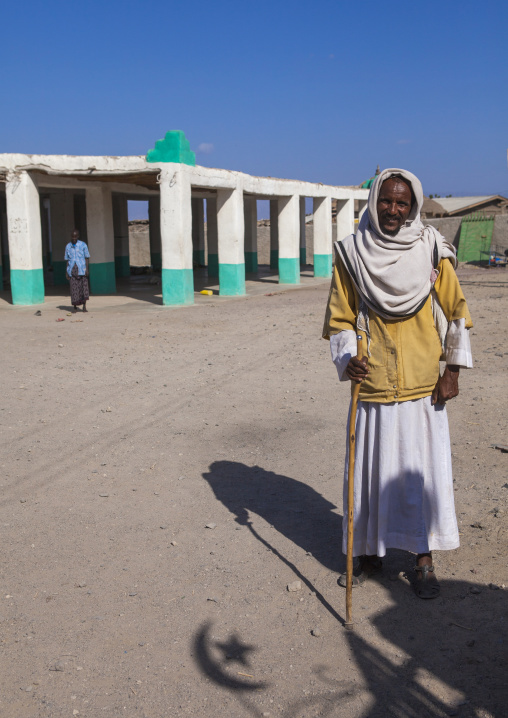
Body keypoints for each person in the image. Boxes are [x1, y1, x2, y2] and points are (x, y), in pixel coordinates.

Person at [323, 168, 473, 599]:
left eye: (401, 202)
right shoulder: (352, 254)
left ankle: (423, 559)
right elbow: (340, 317)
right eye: (386, 200)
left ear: (413, 206)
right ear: (374, 201)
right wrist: (348, 356)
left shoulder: (431, 250)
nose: (392, 209)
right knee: (371, 474)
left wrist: (452, 371)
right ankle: (370, 554)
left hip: (423, 385)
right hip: (371, 383)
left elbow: (457, 312)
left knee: (418, 474)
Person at [65, 229, 90, 312]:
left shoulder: (83, 245)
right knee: (74, 289)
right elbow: (67, 260)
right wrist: (66, 272)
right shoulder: (68, 246)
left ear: (78, 236)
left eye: (75, 237)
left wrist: (87, 269)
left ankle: (84, 306)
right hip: (72, 271)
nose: (74, 239)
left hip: (82, 270)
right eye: (72, 237)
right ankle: (75, 306)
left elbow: (87, 257)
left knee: (83, 288)